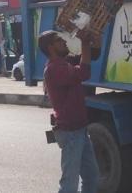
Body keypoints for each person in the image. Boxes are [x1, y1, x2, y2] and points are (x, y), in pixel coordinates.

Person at [39, 29, 100, 193]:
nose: (64, 42)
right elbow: (84, 72)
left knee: (92, 177)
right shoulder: (54, 69)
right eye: (60, 40)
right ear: (50, 47)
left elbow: (87, 58)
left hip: (79, 130)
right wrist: (85, 43)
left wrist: (89, 43)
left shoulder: (63, 63)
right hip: (71, 133)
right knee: (69, 184)